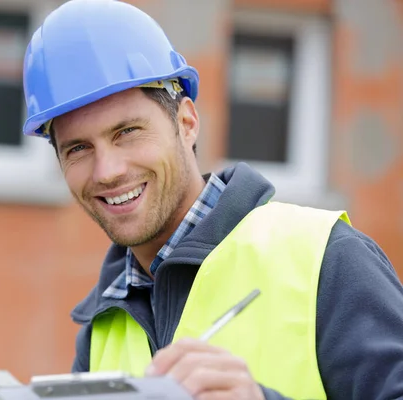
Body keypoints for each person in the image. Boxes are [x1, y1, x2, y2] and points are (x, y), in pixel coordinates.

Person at [21, 1, 403, 399]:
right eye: (78, 148)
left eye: (127, 132)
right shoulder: (102, 328)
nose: (107, 171)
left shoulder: (326, 258)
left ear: (186, 123)